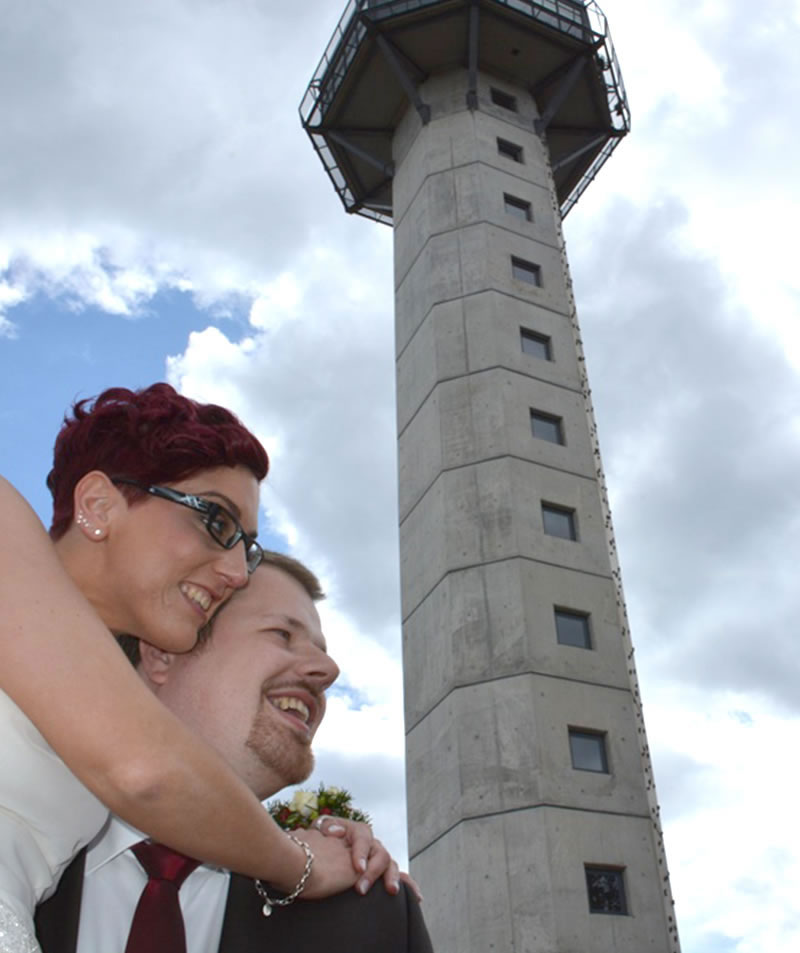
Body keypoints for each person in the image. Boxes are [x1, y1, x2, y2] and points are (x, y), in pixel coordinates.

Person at [0, 385, 388, 953]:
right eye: (216, 521)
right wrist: (299, 863)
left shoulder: (108, 699)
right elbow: (144, 773)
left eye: (247, 548)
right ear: (99, 505)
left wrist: (332, 833)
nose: (235, 571)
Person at [35, 552, 433, 953]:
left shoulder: (371, 920)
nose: (329, 671)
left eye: (322, 651)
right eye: (282, 633)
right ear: (162, 653)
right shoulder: (22, 837)